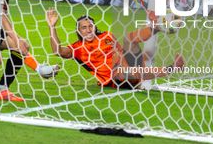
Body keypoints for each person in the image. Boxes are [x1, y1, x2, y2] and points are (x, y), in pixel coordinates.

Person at [46, 8, 184, 88]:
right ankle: (172, 68)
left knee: (127, 39)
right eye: (84, 28)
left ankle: (157, 26)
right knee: (123, 72)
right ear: (78, 31)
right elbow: (56, 51)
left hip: (129, 67)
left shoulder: (107, 36)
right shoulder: (78, 48)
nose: (88, 30)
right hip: (115, 79)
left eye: (90, 26)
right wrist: (52, 26)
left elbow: (127, 49)